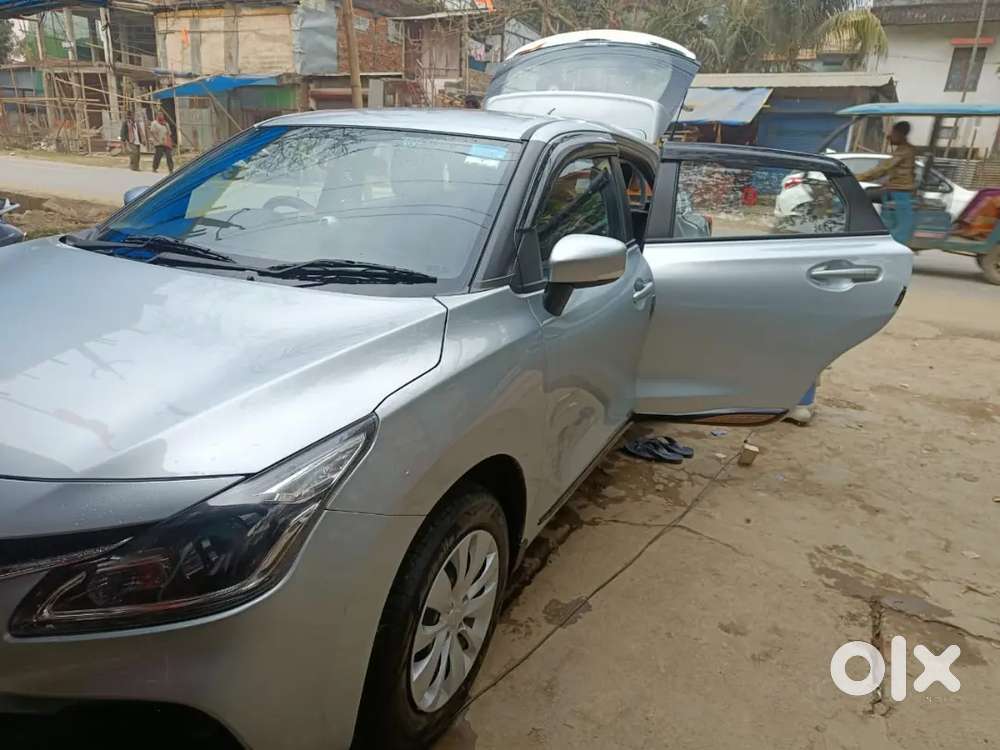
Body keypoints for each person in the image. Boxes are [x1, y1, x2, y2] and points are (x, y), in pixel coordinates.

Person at [856, 121, 917, 245]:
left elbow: (883, 168)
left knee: (858, 196)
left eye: (892, 133)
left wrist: (858, 177)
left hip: (899, 191)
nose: (889, 136)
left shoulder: (904, 151)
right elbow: (885, 171)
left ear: (900, 134)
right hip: (895, 189)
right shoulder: (903, 149)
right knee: (866, 194)